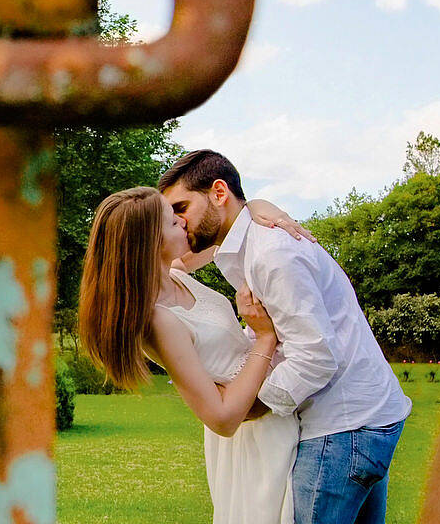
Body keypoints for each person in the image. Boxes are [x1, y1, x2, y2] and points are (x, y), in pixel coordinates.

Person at [159, 149, 412, 524]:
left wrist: (249, 407)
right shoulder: (240, 245)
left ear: (218, 193)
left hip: (341, 428)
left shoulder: (270, 252)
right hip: (366, 415)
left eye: (181, 208)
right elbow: (171, 261)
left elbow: (315, 355)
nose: (179, 223)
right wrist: (259, 203)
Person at [78, 186, 309, 524]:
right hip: (255, 440)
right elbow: (222, 418)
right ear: (149, 242)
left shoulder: (175, 273)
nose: (183, 223)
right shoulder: (159, 321)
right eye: (173, 222)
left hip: (277, 413)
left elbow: (228, 226)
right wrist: (264, 336)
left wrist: (259, 205)